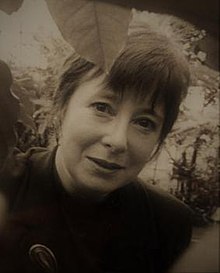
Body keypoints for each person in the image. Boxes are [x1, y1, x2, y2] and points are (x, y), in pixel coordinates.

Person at [0, 28, 192, 273]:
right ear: (61, 105)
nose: (118, 140)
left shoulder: (167, 223)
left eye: (144, 122)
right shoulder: (7, 187)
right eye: (102, 107)